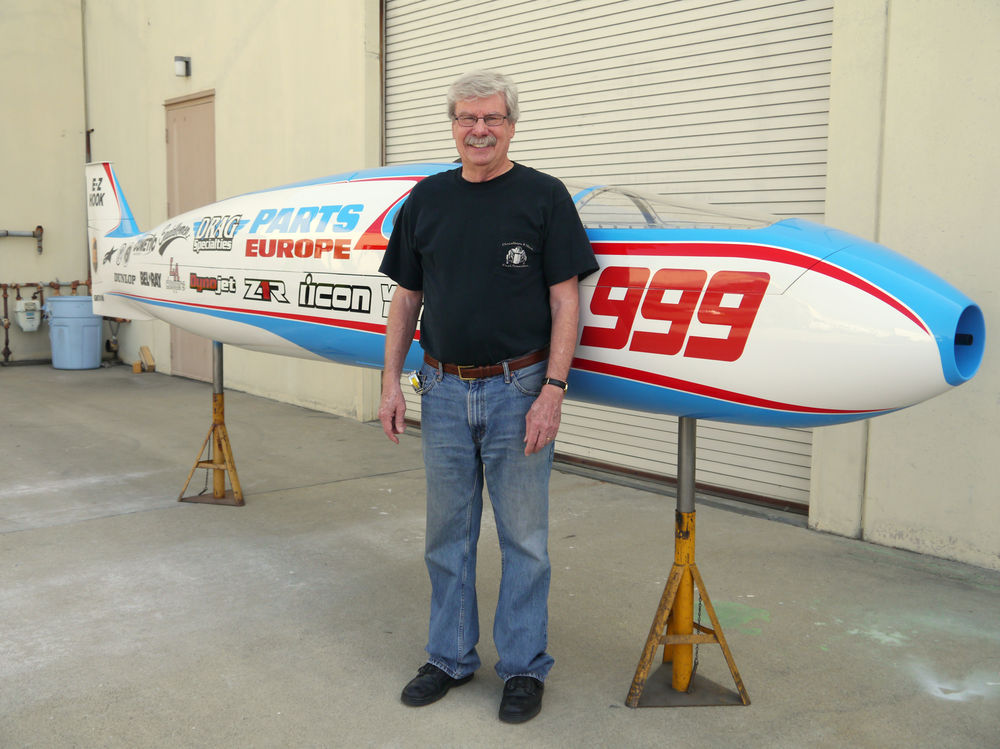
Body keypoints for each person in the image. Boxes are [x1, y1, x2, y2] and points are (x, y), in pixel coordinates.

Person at [377, 70, 598, 724]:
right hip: (442, 388)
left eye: (492, 119)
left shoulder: (543, 197)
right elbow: (406, 299)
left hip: (519, 389)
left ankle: (524, 667)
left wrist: (553, 389)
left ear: (510, 125)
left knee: (525, 539)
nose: (480, 130)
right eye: (468, 119)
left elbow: (566, 300)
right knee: (447, 535)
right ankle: (448, 656)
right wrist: (391, 380)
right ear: (452, 124)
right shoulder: (426, 201)